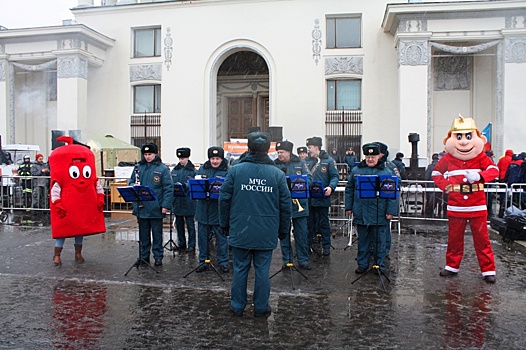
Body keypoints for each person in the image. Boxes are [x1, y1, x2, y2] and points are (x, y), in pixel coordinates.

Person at [219, 131, 292, 317]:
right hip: (266, 230)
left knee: (240, 268)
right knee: (262, 270)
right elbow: (285, 205)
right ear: (268, 150)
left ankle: (237, 306)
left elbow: (224, 199)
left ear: (248, 148)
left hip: (240, 228)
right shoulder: (277, 174)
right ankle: (260, 307)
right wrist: (283, 229)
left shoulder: (235, 170)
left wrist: (224, 224)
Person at [432, 115, 499, 284]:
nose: (463, 142)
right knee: (454, 238)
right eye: (458, 136)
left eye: (468, 136)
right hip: (456, 206)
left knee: (482, 239)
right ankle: (452, 266)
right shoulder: (447, 159)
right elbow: (436, 173)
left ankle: (488, 269)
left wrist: (479, 175)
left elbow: (494, 170)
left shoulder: (481, 158)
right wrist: (445, 185)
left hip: (477, 206)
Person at [49, 136, 106, 266]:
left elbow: (97, 187)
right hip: (66, 207)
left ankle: (78, 253)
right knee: (62, 232)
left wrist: (100, 198)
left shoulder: (92, 178)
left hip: (82, 206)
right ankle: (57, 255)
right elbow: (55, 191)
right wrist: (57, 204)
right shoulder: (60, 179)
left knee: (80, 229)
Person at [345, 143, 399, 273]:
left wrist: (391, 211)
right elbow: (349, 189)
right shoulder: (356, 171)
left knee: (379, 241)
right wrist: (349, 206)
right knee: (362, 240)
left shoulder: (386, 171)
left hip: (379, 212)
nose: (370, 159)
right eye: (368, 156)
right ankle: (362, 264)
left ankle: (379, 265)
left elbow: (392, 193)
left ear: (378, 156)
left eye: (373, 156)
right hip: (361, 211)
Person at [129, 143, 173, 267]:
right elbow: (131, 181)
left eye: (150, 154)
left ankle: (158, 257)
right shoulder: (138, 167)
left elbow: (168, 188)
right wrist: (133, 186)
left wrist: (165, 205)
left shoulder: (162, 169)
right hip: (141, 207)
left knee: (157, 234)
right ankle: (144, 256)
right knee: (143, 234)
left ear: (155, 154)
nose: (148, 157)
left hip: (156, 207)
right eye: (146, 154)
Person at [274, 140, 311, 270]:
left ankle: (303, 260)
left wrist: (299, 184)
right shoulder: (274, 166)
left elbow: (309, 179)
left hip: (299, 205)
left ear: (289, 152)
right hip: (282, 206)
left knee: (301, 234)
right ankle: (287, 260)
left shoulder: (300, 164)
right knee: (284, 233)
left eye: (282, 152)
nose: (279, 154)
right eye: (278, 152)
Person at [195, 146, 229, 273]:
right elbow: (194, 183)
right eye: (213, 158)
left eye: (217, 158)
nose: (215, 161)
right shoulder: (202, 169)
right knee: (203, 239)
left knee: (222, 239)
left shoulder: (227, 171)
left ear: (222, 159)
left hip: (218, 212)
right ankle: (203, 261)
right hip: (203, 210)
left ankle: (223, 262)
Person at [305, 136, 339, 256]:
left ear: (316, 147)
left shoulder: (329, 161)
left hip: (322, 198)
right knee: (309, 224)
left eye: (309, 147)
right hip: (309, 199)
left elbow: (335, 176)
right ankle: (308, 247)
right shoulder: (306, 162)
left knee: (323, 223)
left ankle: (326, 247)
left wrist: (331, 187)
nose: (308, 150)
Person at [171, 147, 197, 253]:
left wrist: (185, 185)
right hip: (177, 201)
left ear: (188, 157)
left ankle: (191, 245)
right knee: (179, 224)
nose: (181, 160)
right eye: (180, 158)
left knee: (190, 224)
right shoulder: (175, 170)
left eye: (183, 158)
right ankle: (181, 244)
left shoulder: (193, 171)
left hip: (188, 201)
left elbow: (194, 184)